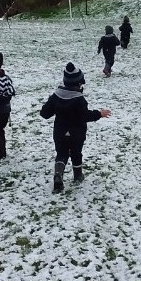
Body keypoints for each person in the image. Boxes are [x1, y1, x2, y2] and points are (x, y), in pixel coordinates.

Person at [40, 62, 111, 193]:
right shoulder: (79, 100)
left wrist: (51, 107)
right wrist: (99, 114)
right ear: (79, 84)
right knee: (76, 154)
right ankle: (78, 175)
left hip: (60, 132)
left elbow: (44, 113)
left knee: (61, 153)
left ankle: (58, 174)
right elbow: (85, 115)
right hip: (77, 133)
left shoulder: (56, 96)